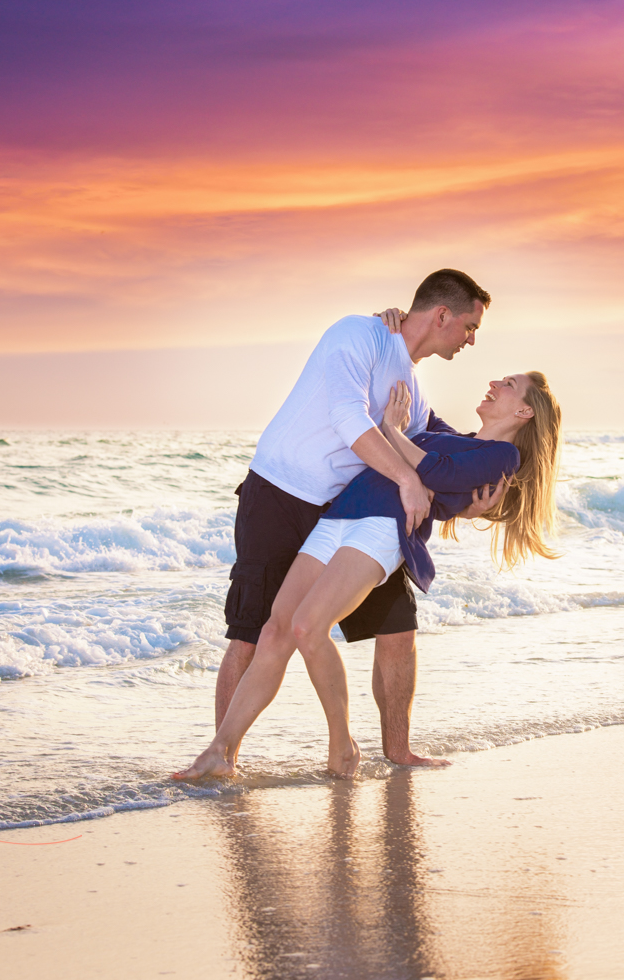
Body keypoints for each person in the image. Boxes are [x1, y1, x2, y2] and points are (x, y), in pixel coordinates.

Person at [177, 370, 562, 779]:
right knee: (276, 630)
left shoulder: (504, 456)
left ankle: (343, 745)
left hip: (381, 528)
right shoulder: (459, 439)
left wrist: (391, 432)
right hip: (338, 516)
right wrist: (391, 329)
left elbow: (434, 472)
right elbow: (413, 397)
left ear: (523, 410)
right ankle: (221, 751)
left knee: (309, 627)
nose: (494, 383)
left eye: (508, 384)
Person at [215, 269, 504, 769]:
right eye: (469, 327)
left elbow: (443, 454)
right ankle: (224, 757)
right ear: (441, 316)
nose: (471, 340)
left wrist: (480, 503)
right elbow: (350, 418)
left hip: (349, 512)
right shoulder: (358, 333)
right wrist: (408, 481)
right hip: (280, 495)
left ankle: (397, 752)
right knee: (253, 632)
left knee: (398, 627)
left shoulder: (415, 390)